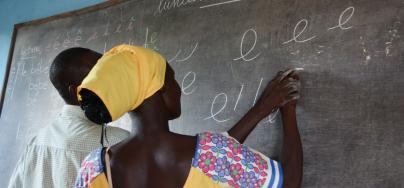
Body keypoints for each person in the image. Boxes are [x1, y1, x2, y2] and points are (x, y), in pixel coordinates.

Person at [75, 44, 303, 188]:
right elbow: (289, 183)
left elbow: (218, 158)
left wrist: (260, 110)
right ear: (161, 89)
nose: (179, 88)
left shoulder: (92, 170)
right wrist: (288, 111)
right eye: (172, 79)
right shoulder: (211, 155)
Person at [7, 48, 130, 188]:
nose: (112, 82)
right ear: (75, 92)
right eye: (100, 76)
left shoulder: (37, 141)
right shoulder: (119, 141)